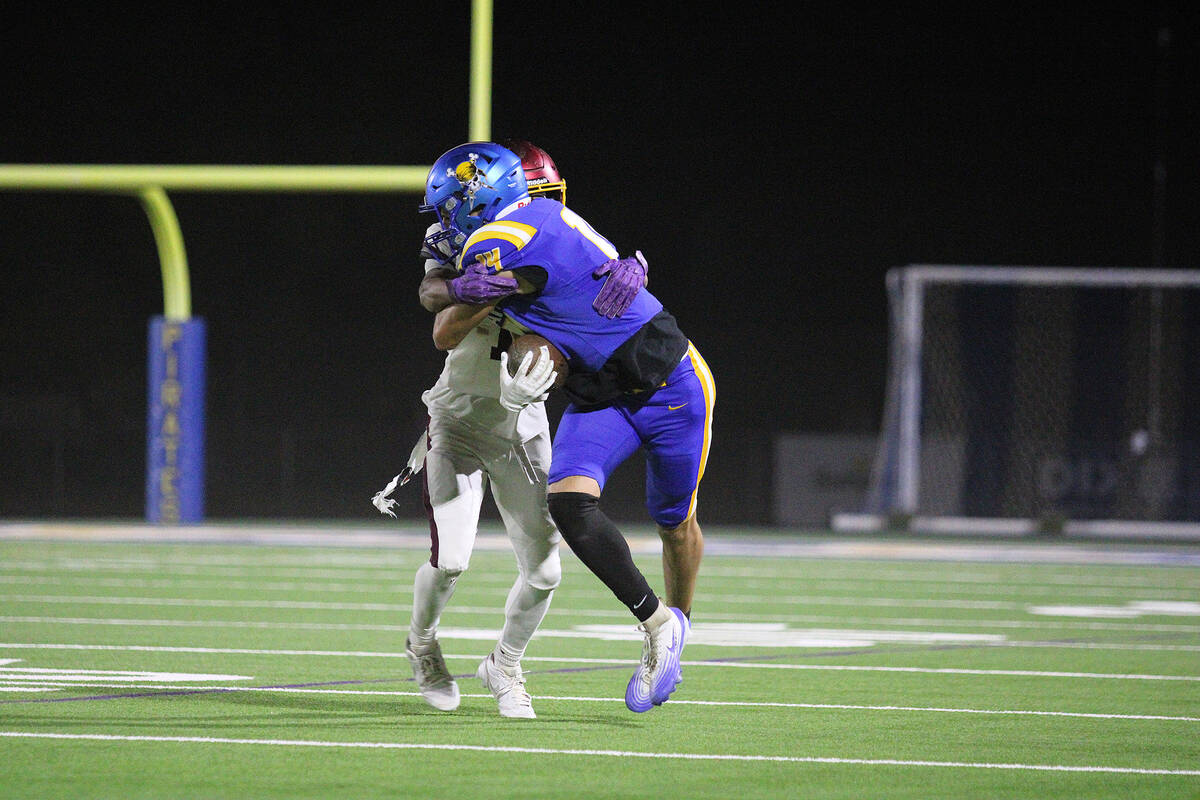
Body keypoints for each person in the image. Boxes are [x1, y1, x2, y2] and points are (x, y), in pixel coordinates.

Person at [421, 141, 714, 713]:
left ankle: (678, 626)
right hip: (601, 392)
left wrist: (463, 288)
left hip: (671, 385)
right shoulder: (538, 222)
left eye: (455, 203)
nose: (446, 218)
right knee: (569, 504)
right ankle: (658, 628)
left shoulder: (501, 235)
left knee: (676, 523)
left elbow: (447, 321)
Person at [371, 140, 578, 719]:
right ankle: (421, 642)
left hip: (523, 422)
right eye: (534, 196)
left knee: (545, 571)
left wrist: (625, 284)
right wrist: (483, 289)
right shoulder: (462, 241)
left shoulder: (554, 244)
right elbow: (438, 317)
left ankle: (505, 664)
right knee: (452, 560)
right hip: (460, 418)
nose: (543, 210)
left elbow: (582, 335)